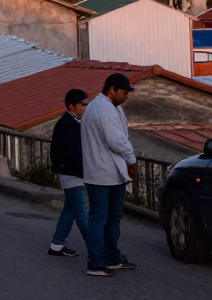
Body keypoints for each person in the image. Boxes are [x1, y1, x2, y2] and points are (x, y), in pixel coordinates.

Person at [81, 73, 138, 277]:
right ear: (112, 89)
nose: (126, 96)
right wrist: (132, 159)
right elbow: (116, 140)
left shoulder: (111, 108)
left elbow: (120, 137)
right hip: (100, 173)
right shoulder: (103, 109)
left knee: (113, 218)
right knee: (99, 218)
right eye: (124, 91)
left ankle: (111, 257)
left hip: (112, 173)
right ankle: (95, 262)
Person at [48, 88, 90, 259]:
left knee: (70, 210)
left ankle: (57, 244)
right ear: (72, 106)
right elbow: (67, 152)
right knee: (81, 211)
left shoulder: (72, 122)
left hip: (72, 173)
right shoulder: (67, 124)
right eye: (83, 104)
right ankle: (98, 248)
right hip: (71, 174)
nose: (85, 107)